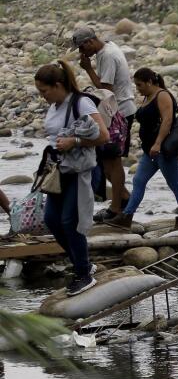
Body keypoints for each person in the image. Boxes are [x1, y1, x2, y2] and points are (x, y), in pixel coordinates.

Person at [34, 61, 108, 296]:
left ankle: (83, 274)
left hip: (80, 171)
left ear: (57, 85)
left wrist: (74, 141)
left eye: (44, 91)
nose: (42, 96)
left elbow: (103, 135)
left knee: (70, 221)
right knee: (52, 220)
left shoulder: (81, 102)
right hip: (59, 170)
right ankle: (83, 263)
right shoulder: (55, 105)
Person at [107, 68, 178, 231]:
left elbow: (167, 121)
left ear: (150, 82)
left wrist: (158, 143)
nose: (137, 88)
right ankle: (127, 216)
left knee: (174, 183)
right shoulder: (147, 96)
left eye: (139, 85)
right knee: (138, 180)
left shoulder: (163, 95)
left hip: (163, 149)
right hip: (150, 150)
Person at [72, 26, 133, 220]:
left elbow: (105, 90)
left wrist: (88, 69)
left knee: (112, 162)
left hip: (117, 112)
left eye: (82, 48)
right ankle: (124, 199)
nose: (82, 53)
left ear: (90, 42)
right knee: (108, 162)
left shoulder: (106, 56)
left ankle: (117, 208)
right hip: (119, 109)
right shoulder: (108, 47)